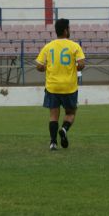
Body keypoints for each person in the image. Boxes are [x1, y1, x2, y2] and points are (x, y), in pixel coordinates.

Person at [36, 18, 85, 150]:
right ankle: (64, 129)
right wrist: (74, 66)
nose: (70, 30)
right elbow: (81, 65)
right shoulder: (75, 46)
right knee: (70, 113)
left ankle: (53, 143)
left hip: (52, 86)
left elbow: (39, 66)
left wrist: (49, 67)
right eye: (69, 28)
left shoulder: (48, 46)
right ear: (65, 30)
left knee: (53, 115)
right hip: (69, 86)